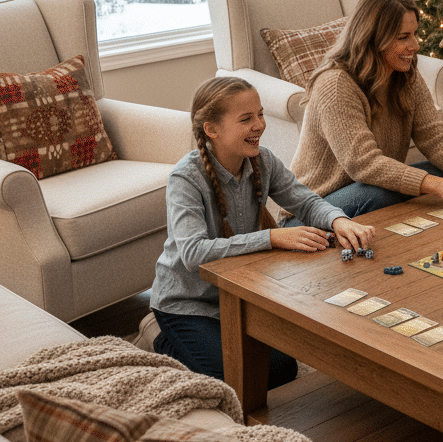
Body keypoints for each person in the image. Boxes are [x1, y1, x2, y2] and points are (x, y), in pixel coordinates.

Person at [151, 76, 375, 386]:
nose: (259, 125)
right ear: (212, 130)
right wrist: (272, 238)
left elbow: (306, 202)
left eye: (260, 114)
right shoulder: (185, 179)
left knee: (284, 369)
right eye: (246, 118)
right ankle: (163, 341)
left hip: (239, 296)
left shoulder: (263, 161)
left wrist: (339, 221)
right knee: (234, 379)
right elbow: (193, 253)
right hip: (187, 305)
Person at [292, 0, 443, 216]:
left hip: (366, 190)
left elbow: (433, 135)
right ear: (373, 38)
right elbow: (365, 165)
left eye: (414, 34)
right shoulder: (334, 84)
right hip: (311, 208)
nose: (415, 45)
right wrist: (440, 187)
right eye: (403, 37)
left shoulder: (405, 73)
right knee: (387, 191)